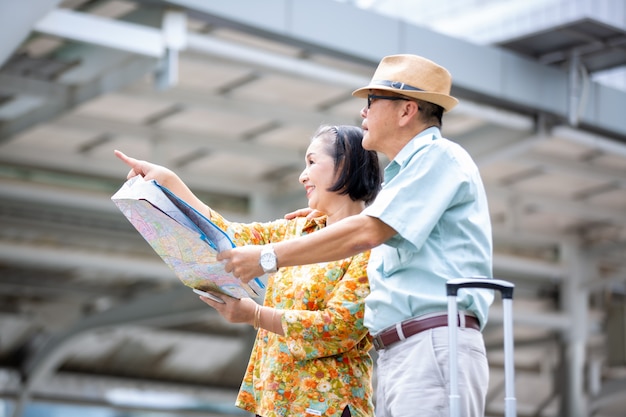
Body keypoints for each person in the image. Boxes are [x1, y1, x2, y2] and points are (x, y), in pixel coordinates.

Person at [217, 54, 495, 417]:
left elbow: (367, 231)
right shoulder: (404, 177)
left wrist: (269, 257)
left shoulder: (439, 157)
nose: (363, 113)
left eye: (371, 102)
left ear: (406, 110)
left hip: (432, 341)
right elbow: (364, 229)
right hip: (402, 350)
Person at [114, 124, 382, 417]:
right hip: (273, 402)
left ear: (343, 165)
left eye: (312, 162)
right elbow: (229, 237)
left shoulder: (371, 245)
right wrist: (169, 182)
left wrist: (255, 315)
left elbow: (338, 329)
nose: (302, 175)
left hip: (328, 404)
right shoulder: (298, 229)